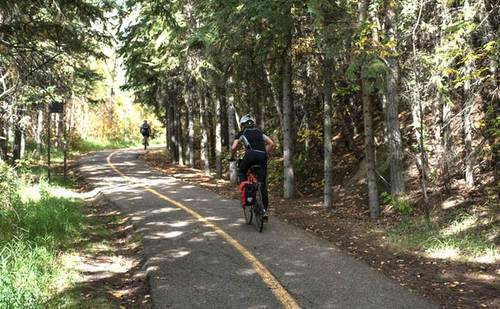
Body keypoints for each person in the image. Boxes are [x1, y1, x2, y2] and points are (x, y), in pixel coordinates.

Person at [230, 114, 274, 218]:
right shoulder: (260, 132)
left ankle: (247, 194)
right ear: (253, 123)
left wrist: (232, 156)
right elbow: (271, 143)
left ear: (242, 125)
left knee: (242, 171)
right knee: (262, 184)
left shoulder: (242, 133)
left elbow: (234, 147)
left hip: (250, 155)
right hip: (262, 156)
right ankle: (264, 210)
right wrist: (264, 153)